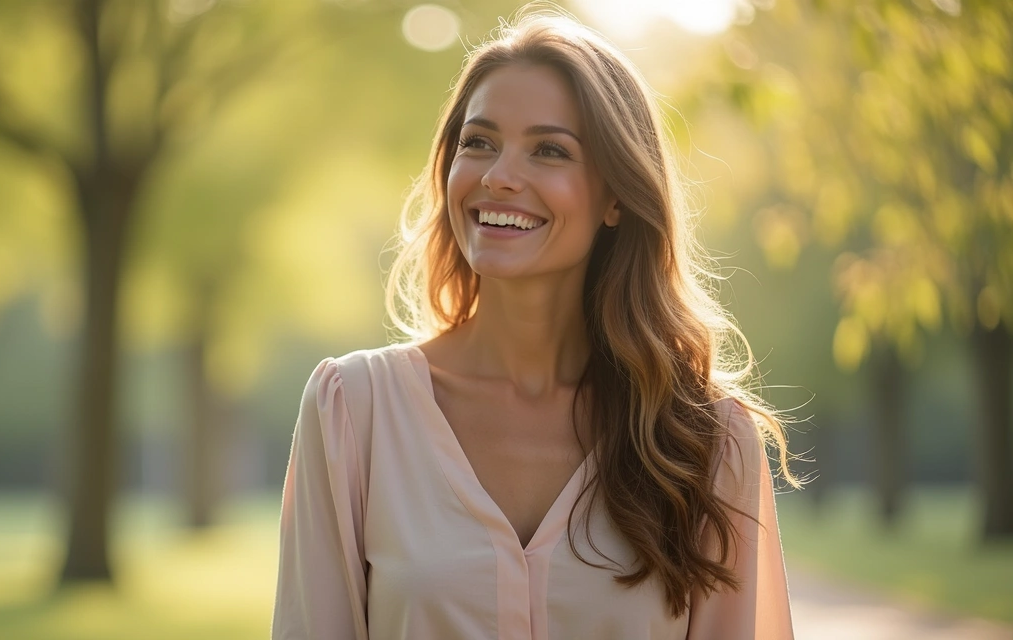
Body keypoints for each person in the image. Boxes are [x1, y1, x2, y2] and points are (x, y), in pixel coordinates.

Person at [272, 9, 798, 640]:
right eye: (479, 142)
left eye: (549, 150)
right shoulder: (354, 412)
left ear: (615, 197)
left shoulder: (705, 442)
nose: (498, 177)